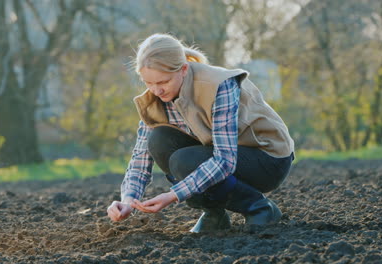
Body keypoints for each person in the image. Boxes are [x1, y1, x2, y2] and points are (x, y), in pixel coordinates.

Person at [107, 33, 294, 233]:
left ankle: (259, 208)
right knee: (159, 140)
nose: (156, 91)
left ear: (184, 69)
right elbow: (141, 158)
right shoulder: (155, 99)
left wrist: (174, 195)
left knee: (185, 160)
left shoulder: (219, 85)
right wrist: (128, 199)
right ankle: (214, 214)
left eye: (163, 82)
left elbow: (224, 160)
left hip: (267, 160)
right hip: (223, 158)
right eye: (148, 83)